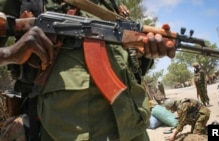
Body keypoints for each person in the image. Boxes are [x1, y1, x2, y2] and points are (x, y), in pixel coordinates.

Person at [0, 0, 177, 141]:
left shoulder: (110, 4)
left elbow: (129, 67)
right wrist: (10, 53)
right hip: (66, 131)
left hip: (132, 128)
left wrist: (145, 55)